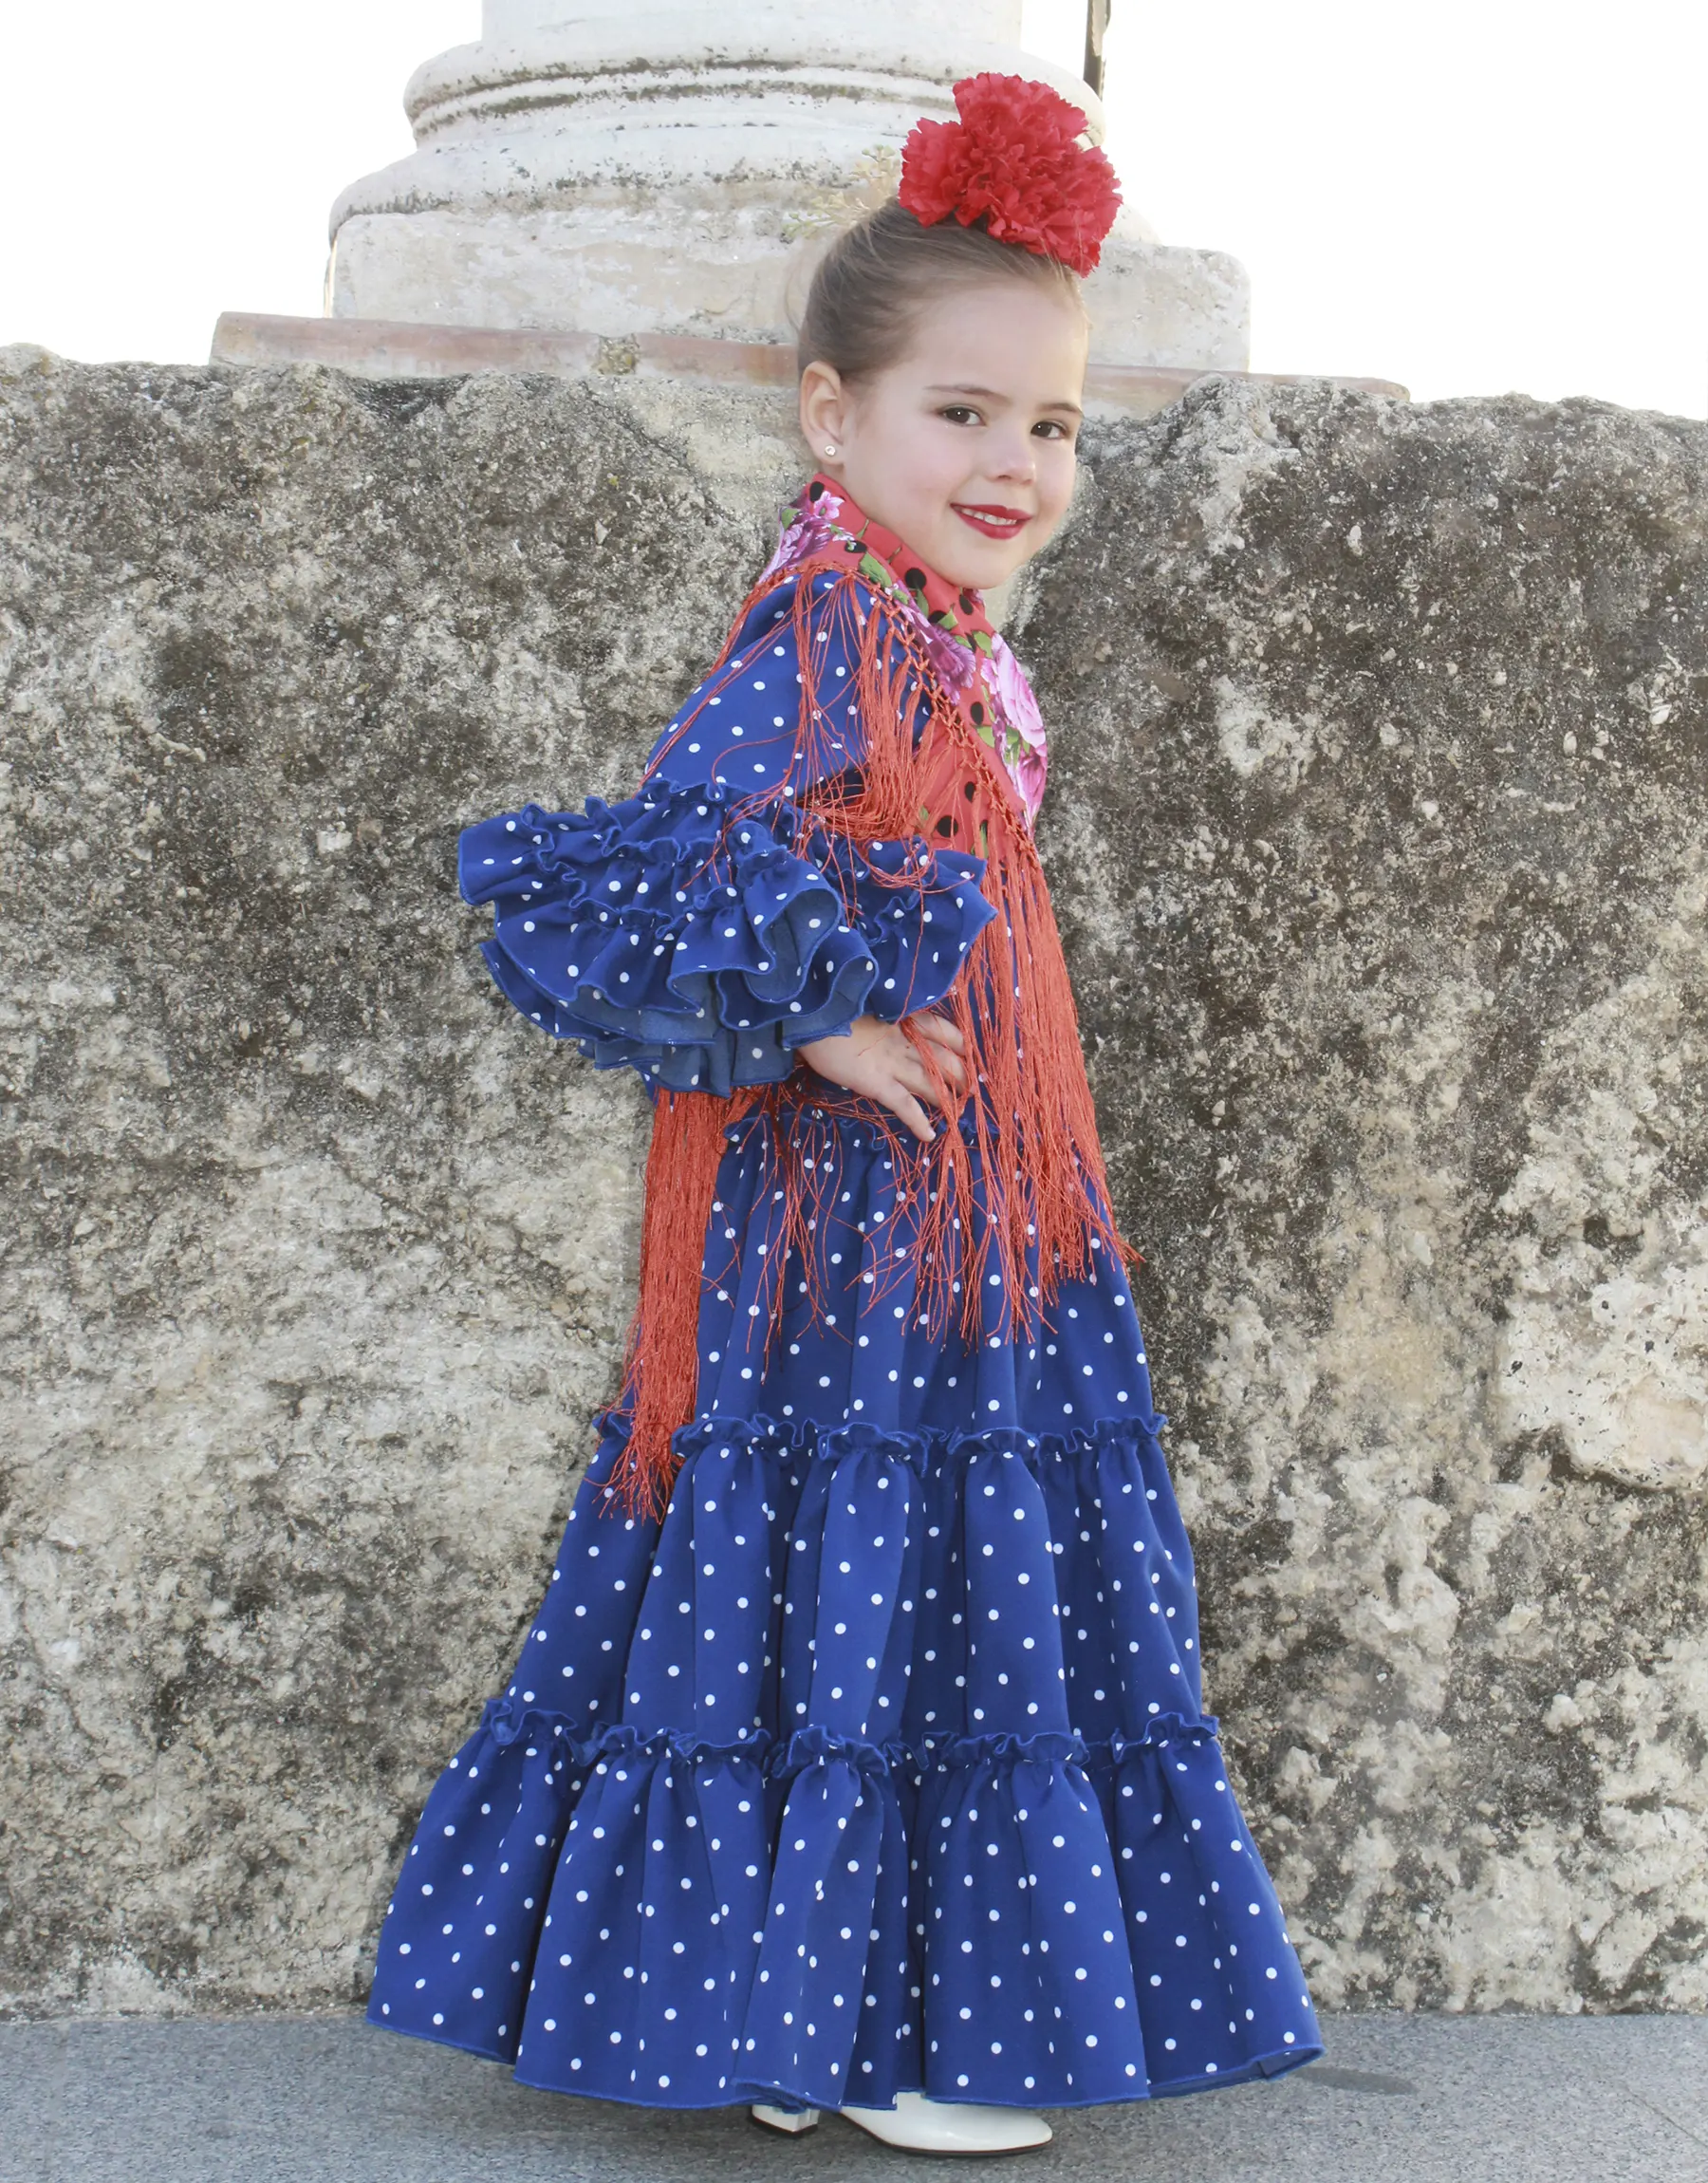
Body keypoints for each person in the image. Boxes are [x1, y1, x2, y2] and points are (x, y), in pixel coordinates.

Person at [365, 71, 1323, 2157]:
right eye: (961, 412)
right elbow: (652, 865)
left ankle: (805, 2020)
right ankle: (875, 2036)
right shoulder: (824, 627)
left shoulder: (927, 633)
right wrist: (820, 1027)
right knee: (873, 1582)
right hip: (856, 1224)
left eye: (1052, 422)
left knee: (881, 1596)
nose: (1015, 462)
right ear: (831, 415)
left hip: (971, 1206)